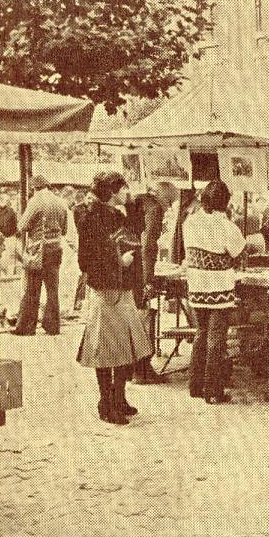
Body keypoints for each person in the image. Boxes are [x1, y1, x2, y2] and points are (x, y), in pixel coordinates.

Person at [76, 171, 152, 425]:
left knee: (116, 348)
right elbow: (90, 258)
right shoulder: (98, 218)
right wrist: (121, 261)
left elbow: (137, 229)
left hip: (112, 289)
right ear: (111, 191)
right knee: (114, 349)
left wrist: (130, 203)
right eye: (123, 189)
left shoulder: (100, 215)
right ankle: (108, 402)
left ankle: (116, 398)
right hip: (110, 290)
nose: (127, 192)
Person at [183, 180, 247, 404]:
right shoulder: (227, 226)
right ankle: (213, 390)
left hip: (197, 286)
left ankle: (196, 385)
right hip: (218, 288)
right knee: (216, 338)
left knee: (201, 333)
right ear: (226, 203)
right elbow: (238, 250)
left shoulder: (190, 222)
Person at [129, 181, 177, 385]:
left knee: (133, 317)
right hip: (138, 271)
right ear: (164, 198)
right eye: (171, 202)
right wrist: (148, 279)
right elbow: (148, 243)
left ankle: (135, 368)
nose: (170, 208)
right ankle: (142, 369)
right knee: (141, 316)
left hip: (128, 266)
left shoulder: (140, 200)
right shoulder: (155, 209)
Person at [12, 176, 68, 336]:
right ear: (47, 186)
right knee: (52, 289)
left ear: (34, 188)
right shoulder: (60, 202)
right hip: (56, 248)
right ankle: (52, 326)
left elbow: (22, 226)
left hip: (38, 250)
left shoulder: (35, 202)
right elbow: (64, 229)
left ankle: (25, 327)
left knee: (32, 289)